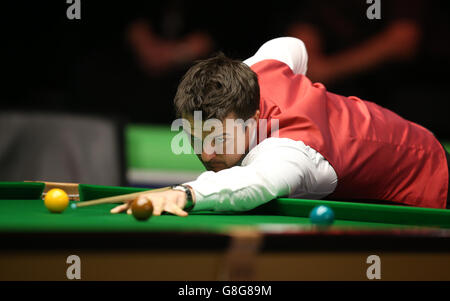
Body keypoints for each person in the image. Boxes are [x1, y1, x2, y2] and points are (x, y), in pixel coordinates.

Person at [111, 37, 449, 217]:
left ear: (255, 119)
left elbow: (253, 183)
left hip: (424, 180)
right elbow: (294, 47)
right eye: (196, 136)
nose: (206, 152)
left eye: (221, 137)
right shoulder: (260, 68)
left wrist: (185, 193)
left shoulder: (289, 152)